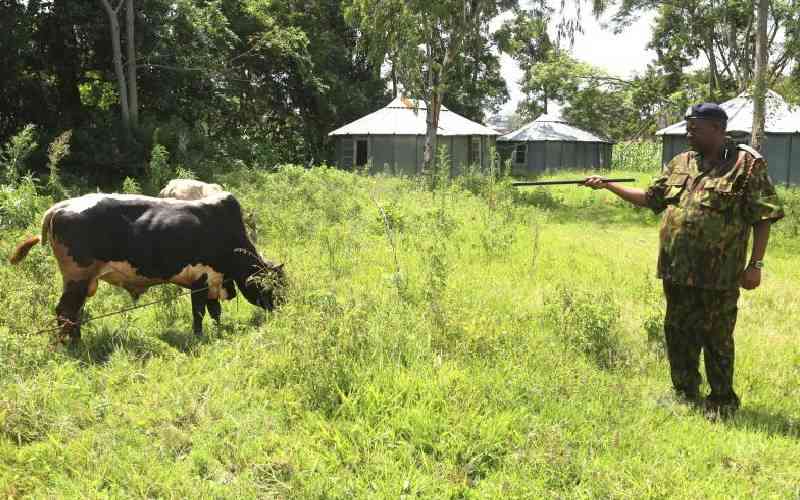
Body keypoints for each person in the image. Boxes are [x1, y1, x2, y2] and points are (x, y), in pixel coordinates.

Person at [584, 103, 785, 418]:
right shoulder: (680, 162)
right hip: (677, 271)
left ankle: (721, 402)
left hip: (719, 275)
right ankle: (685, 393)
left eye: (696, 129)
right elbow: (651, 199)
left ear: (718, 129)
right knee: (677, 332)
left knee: (716, 337)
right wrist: (609, 186)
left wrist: (755, 265)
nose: (688, 135)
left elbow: (763, 217)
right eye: (687, 129)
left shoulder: (746, 166)